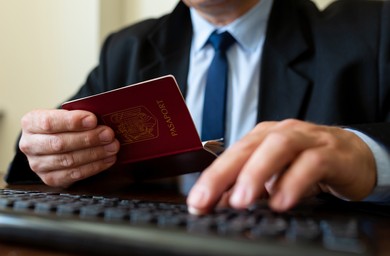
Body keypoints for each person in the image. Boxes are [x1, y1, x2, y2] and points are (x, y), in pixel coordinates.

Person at [5, 0, 390, 215]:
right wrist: (46, 151)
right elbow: (47, 152)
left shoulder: (372, 30)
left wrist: (367, 154)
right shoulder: (128, 48)